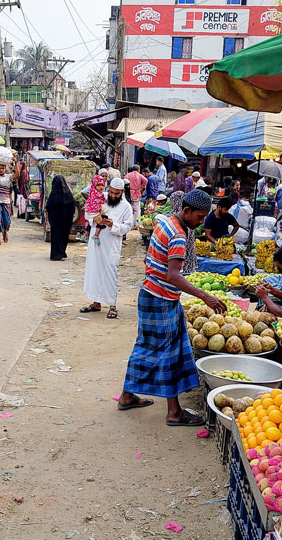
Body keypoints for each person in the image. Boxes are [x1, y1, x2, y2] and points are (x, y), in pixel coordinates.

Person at [115, 189, 225, 426]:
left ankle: (127, 395)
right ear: (187, 211)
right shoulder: (178, 234)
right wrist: (206, 296)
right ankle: (174, 412)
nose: (201, 222)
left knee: (145, 346)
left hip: (149, 294)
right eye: (199, 216)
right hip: (162, 299)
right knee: (169, 353)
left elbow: (150, 261)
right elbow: (174, 275)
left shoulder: (163, 224)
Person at [81, 178, 135, 319]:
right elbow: (88, 212)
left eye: (116, 194)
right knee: (95, 271)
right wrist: (95, 219)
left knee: (110, 273)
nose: (112, 196)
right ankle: (96, 303)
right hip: (96, 242)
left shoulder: (126, 207)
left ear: (122, 192)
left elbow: (128, 226)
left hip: (111, 245)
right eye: (111, 192)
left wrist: (113, 225)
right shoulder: (101, 197)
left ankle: (112, 305)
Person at [45, 174, 76, 261]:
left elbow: (48, 207)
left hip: (56, 222)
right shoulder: (68, 195)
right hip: (66, 221)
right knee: (64, 236)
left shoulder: (53, 195)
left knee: (56, 236)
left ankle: (56, 254)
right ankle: (61, 253)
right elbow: (72, 207)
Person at [85, 173, 107, 243]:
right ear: (94, 185)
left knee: (91, 222)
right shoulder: (95, 193)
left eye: (102, 185)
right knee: (102, 221)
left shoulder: (98, 192)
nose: (101, 187)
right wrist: (100, 210)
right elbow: (96, 203)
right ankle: (95, 235)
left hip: (92, 211)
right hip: (93, 211)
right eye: (98, 185)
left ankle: (86, 235)